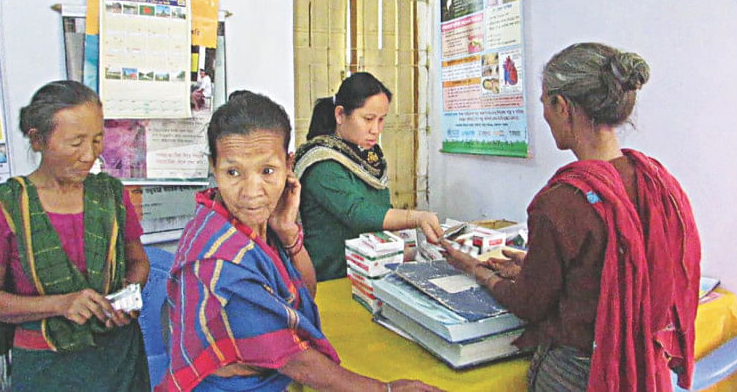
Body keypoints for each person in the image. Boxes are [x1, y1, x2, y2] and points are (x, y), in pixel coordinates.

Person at [442, 43, 701, 391]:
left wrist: (478, 271)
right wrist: (535, 268)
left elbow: (530, 304)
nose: (545, 117)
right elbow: (618, 272)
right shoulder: (657, 182)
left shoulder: (562, 202)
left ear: (562, 107)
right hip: (646, 361)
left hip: (579, 372)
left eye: (545, 104)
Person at [162, 91, 440, 392]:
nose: (252, 192)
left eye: (267, 171)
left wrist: (289, 233)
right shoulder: (218, 260)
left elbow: (305, 294)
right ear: (214, 168)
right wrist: (386, 390)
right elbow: (295, 361)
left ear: (288, 165)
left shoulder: (259, 222)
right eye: (233, 172)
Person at [0, 80, 150, 391]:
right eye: (76, 142)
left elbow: (138, 262)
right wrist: (61, 304)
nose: (89, 155)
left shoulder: (111, 194)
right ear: (37, 139)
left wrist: (125, 297)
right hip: (46, 364)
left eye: (97, 140)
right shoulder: (4, 205)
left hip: (118, 357)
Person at [294, 72, 443, 281]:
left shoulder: (366, 156)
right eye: (368, 119)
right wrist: (415, 218)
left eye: (381, 119)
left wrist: (405, 252)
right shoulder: (322, 164)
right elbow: (358, 213)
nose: (376, 129)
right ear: (340, 115)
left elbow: (381, 209)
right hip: (332, 278)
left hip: (370, 271)